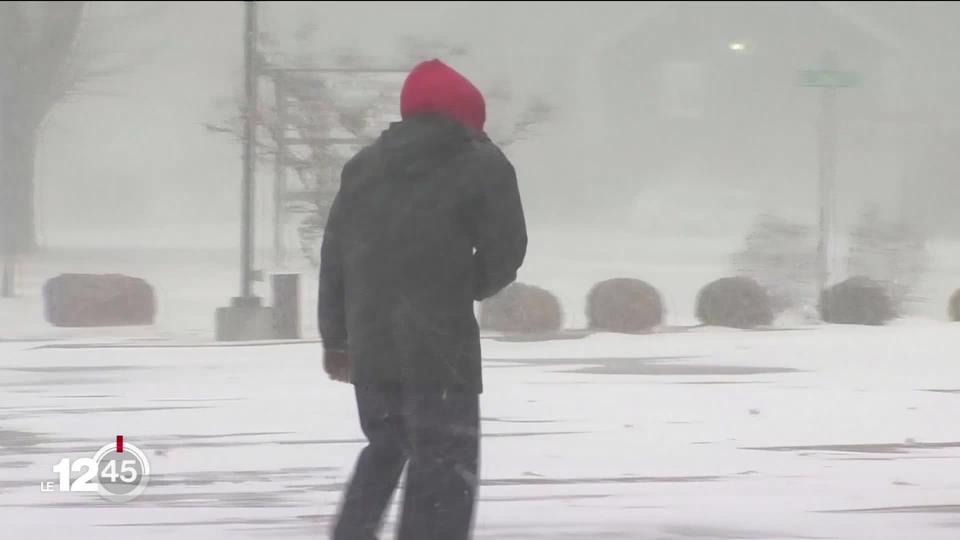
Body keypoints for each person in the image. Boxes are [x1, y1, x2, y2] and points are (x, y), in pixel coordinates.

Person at [318, 59, 528, 540]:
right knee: (445, 467)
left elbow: (335, 259)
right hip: (440, 347)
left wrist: (337, 338)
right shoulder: (481, 163)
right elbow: (506, 250)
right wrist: (463, 287)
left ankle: (353, 531)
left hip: (372, 343)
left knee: (386, 445)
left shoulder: (364, 165)